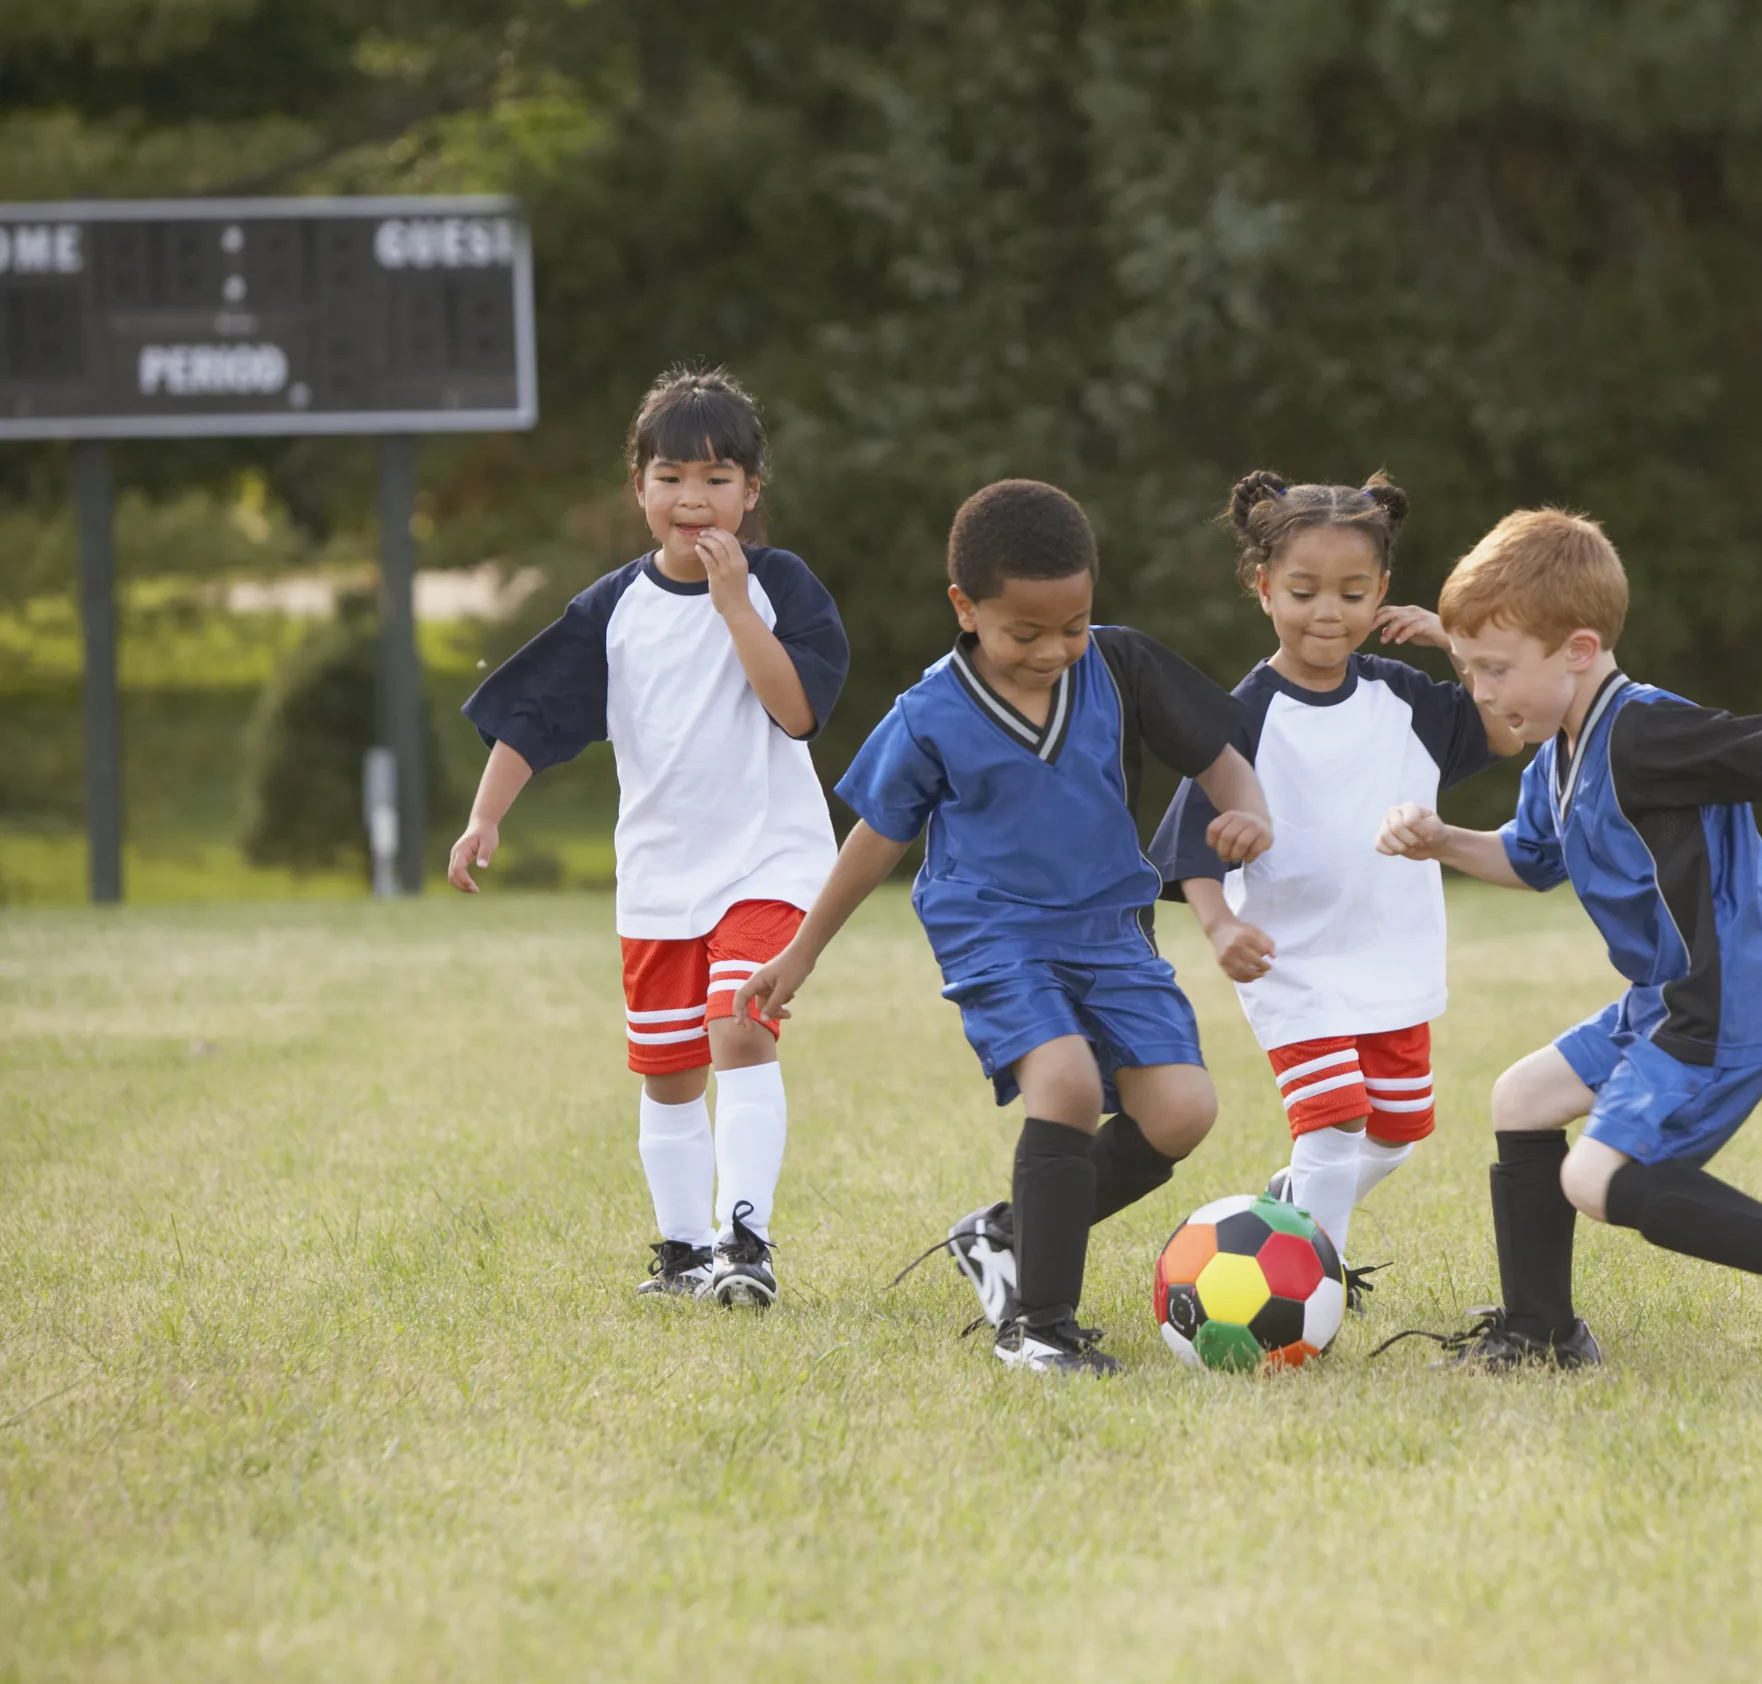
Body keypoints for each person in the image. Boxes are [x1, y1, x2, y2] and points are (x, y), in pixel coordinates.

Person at [1372, 508, 1762, 1369]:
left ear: (1579, 650)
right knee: (1521, 1098)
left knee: (1593, 1179)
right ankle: (1541, 1330)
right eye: (1468, 669)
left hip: (1723, 995)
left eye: (1493, 670)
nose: (1478, 692)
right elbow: (1529, 859)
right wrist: (1442, 839)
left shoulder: (1646, 731)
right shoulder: (1558, 750)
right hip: (1664, 997)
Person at [736, 479, 1273, 1376]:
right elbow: (876, 838)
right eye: (1026, 633)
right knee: (1061, 1082)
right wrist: (801, 950)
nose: (1055, 648)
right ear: (966, 608)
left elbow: (1219, 754)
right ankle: (1039, 1325)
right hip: (994, 928)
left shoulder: (1120, 664)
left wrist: (1246, 810)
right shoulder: (930, 714)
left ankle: (1006, 1233)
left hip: (1108, 929)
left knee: (1183, 1111)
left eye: (1074, 624)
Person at [448, 366, 848, 1308]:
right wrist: (485, 815)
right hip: (662, 876)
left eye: (717, 478)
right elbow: (534, 717)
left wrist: (737, 606)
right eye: (671, 476)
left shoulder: (782, 586)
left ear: (752, 493)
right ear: (640, 490)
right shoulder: (612, 608)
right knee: (669, 1072)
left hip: (770, 859)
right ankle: (681, 1254)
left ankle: (745, 1243)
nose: (693, 498)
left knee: (740, 1034)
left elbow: (796, 713)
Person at [1148, 470, 1518, 1278]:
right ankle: (1311, 1285)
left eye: (1353, 592)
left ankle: (1296, 1205)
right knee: (1335, 1122)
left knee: (1395, 1132)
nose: (1328, 611)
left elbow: (1507, 730)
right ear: (1264, 587)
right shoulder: (1240, 715)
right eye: (1304, 589)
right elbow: (1188, 847)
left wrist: (1457, 643)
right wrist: (1220, 927)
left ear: (1382, 591)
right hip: (1293, 960)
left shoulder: (1406, 699)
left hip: (1393, 954)